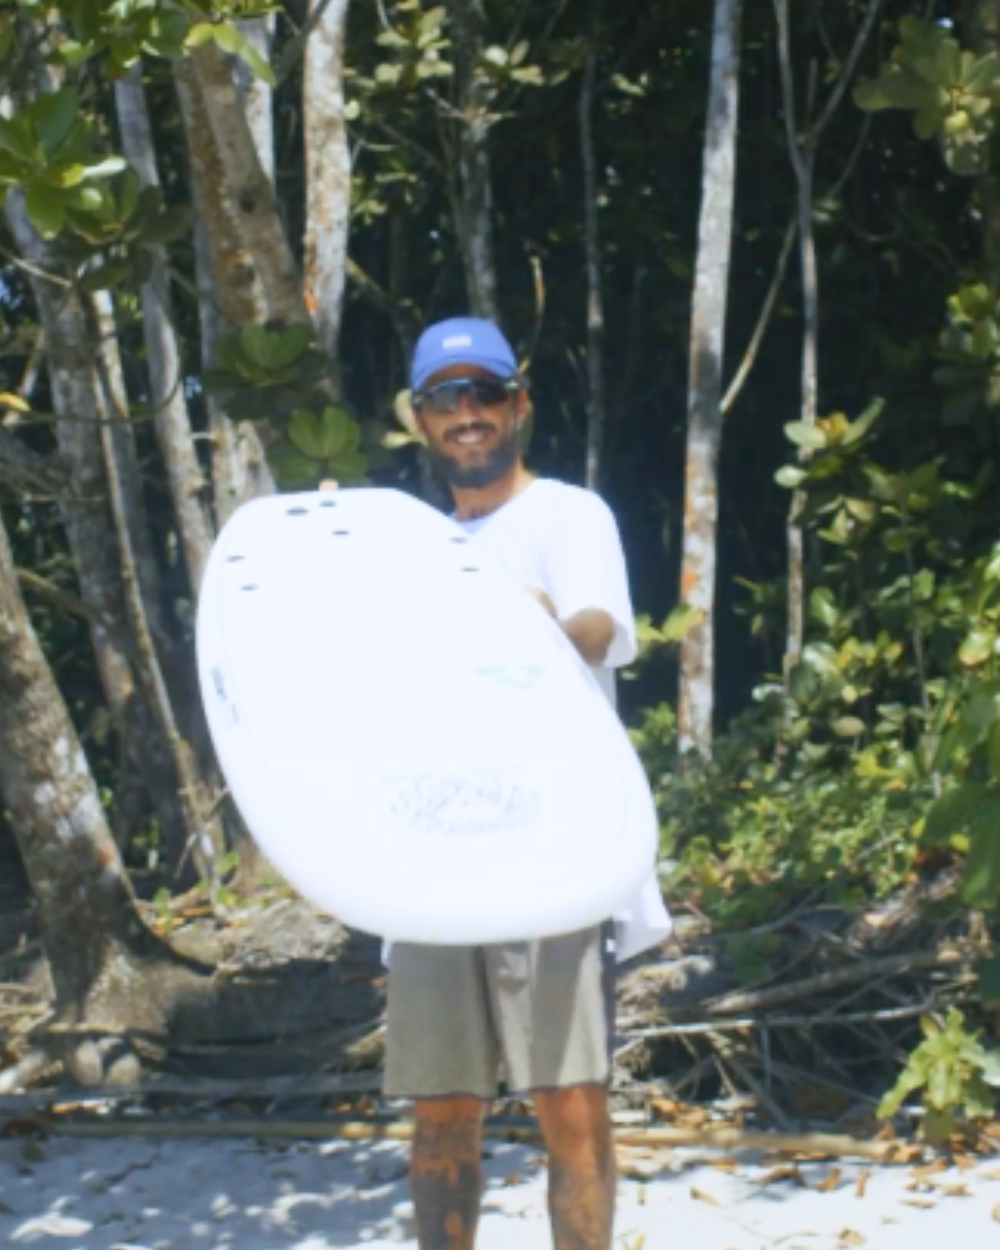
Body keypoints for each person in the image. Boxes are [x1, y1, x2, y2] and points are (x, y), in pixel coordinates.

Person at [383, 317, 673, 1250]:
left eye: (484, 394)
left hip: (550, 848)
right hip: (436, 857)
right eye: (445, 398)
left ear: (519, 405)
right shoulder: (409, 545)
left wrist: (540, 621)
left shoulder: (569, 514)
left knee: (570, 1104)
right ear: (420, 419)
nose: (467, 414)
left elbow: (595, 627)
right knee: (440, 1112)